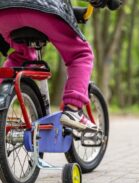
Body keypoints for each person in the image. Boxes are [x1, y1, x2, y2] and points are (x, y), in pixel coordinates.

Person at [0, 0, 108, 131]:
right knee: (81, 54)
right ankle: (73, 110)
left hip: (4, 12)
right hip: (42, 9)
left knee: (23, 56)